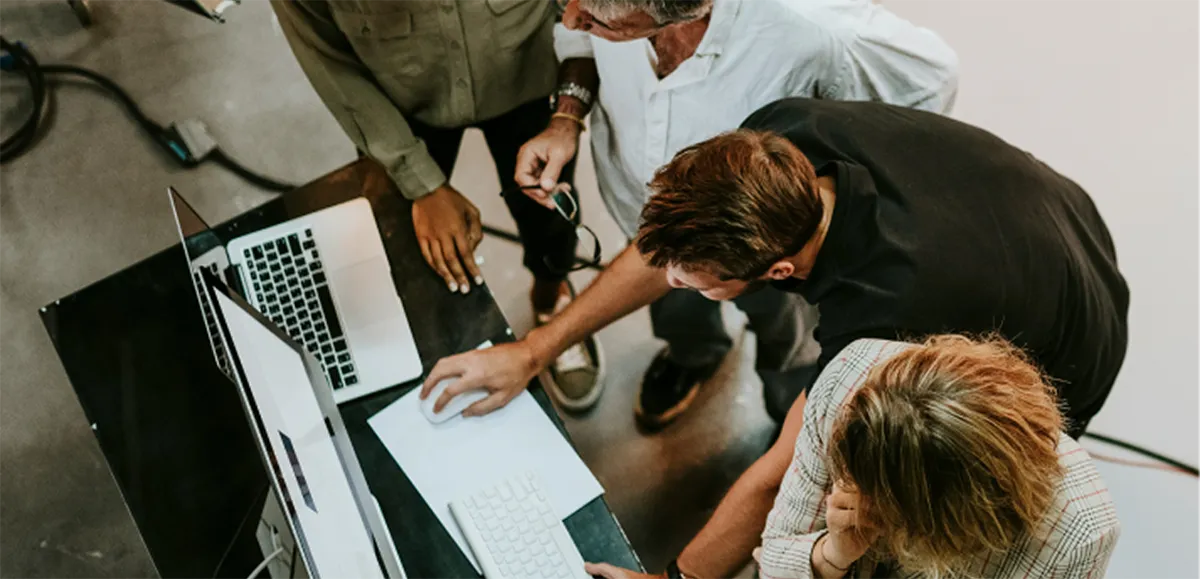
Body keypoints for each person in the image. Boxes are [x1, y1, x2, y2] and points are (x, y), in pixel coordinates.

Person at [422, 98, 1128, 577]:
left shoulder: (884, 326)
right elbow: (666, 245)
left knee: (925, 469)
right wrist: (535, 347)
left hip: (1062, 332)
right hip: (1039, 206)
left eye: (691, 281)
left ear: (779, 269)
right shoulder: (775, 145)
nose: (664, 279)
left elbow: (775, 475)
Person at [510, 0, 958, 420]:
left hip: (761, 255)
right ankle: (694, 354)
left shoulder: (812, 31)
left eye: (593, 18)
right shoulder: (597, 8)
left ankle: (789, 417)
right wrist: (566, 118)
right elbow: (577, 41)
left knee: (790, 341)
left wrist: (815, 202)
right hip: (638, 209)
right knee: (673, 303)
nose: (570, 20)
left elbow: (930, 81)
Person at [268, 0, 599, 405]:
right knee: (401, 240)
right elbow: (329, 62)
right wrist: (421, 183)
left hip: (528, 79)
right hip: (398, 106)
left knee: (551, 218)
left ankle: (552, 301)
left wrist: (568, 112)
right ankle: (424, 356)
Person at [587, 336, 1121, 579]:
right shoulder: (854, 376)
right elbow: (774, 557)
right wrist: (831, 555)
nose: (853, 497)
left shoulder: (1079, 532)